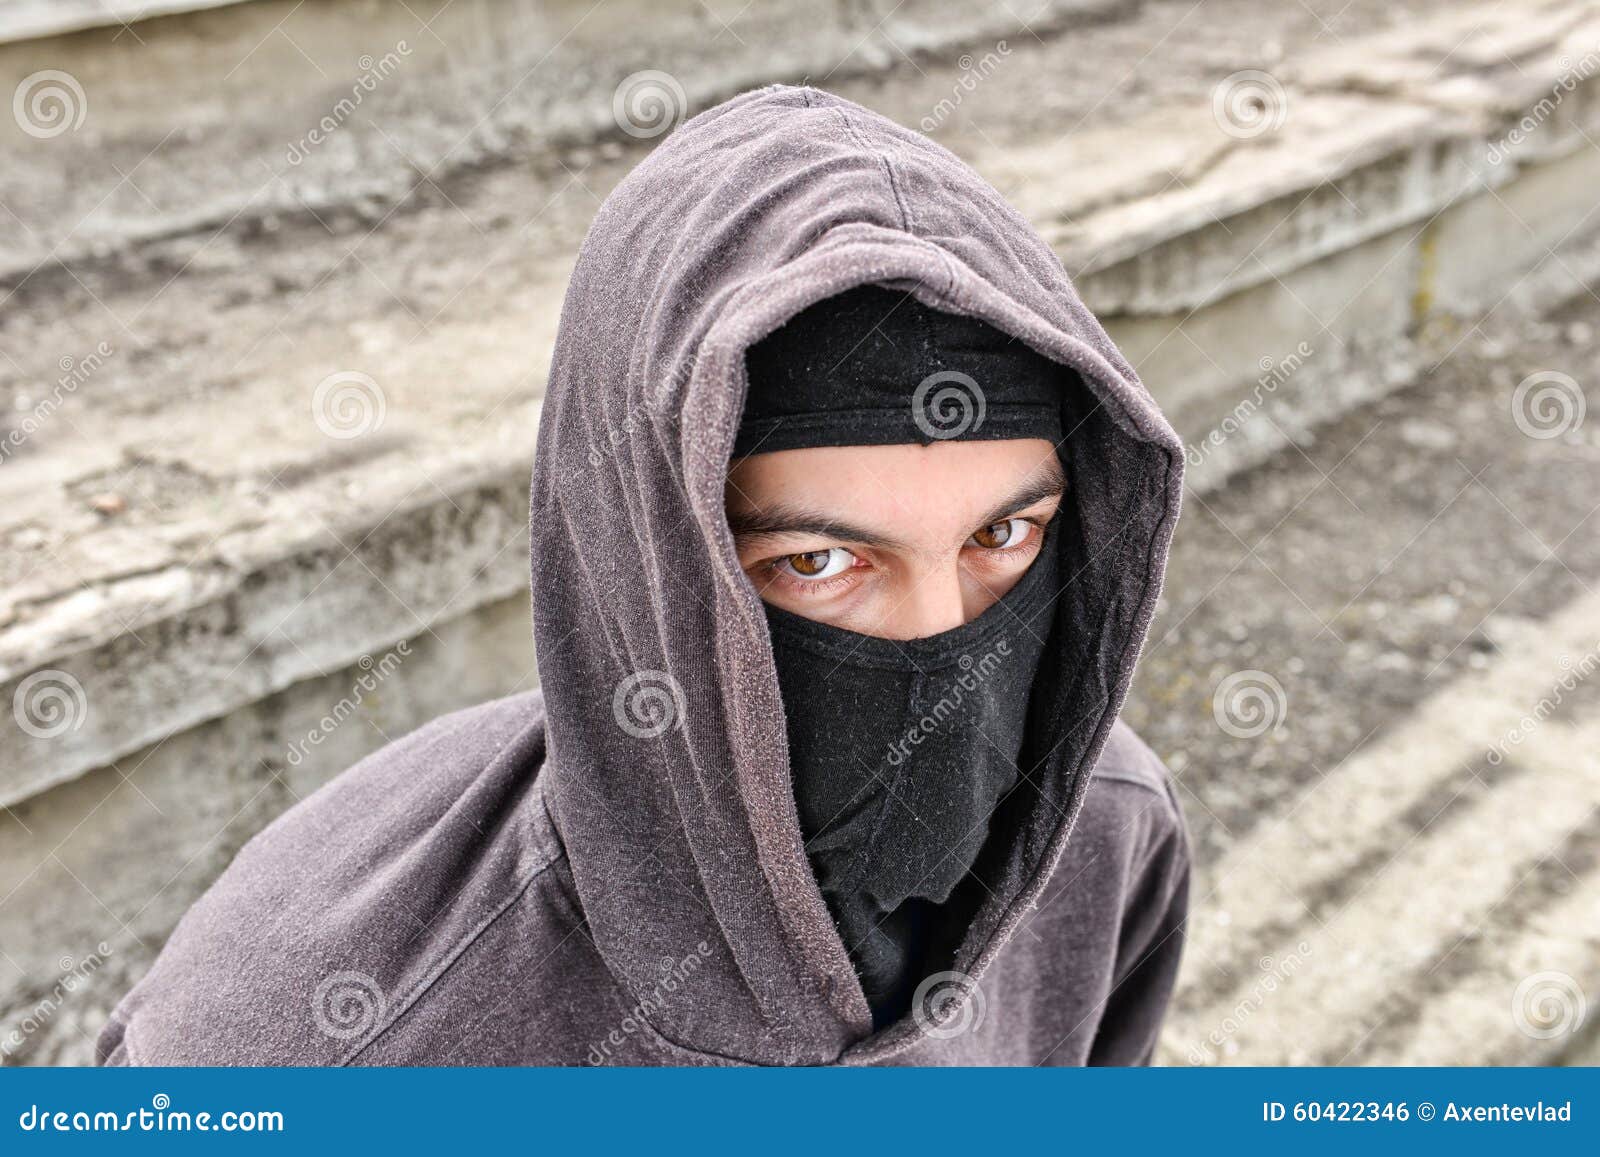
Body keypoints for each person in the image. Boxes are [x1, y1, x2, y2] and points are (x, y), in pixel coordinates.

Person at [98, 85, 1190, 1067]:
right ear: (647, 559)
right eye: (818, 560)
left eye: (1002, 538)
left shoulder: (1103, 837)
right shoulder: (296, 1045)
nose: (944, 653)